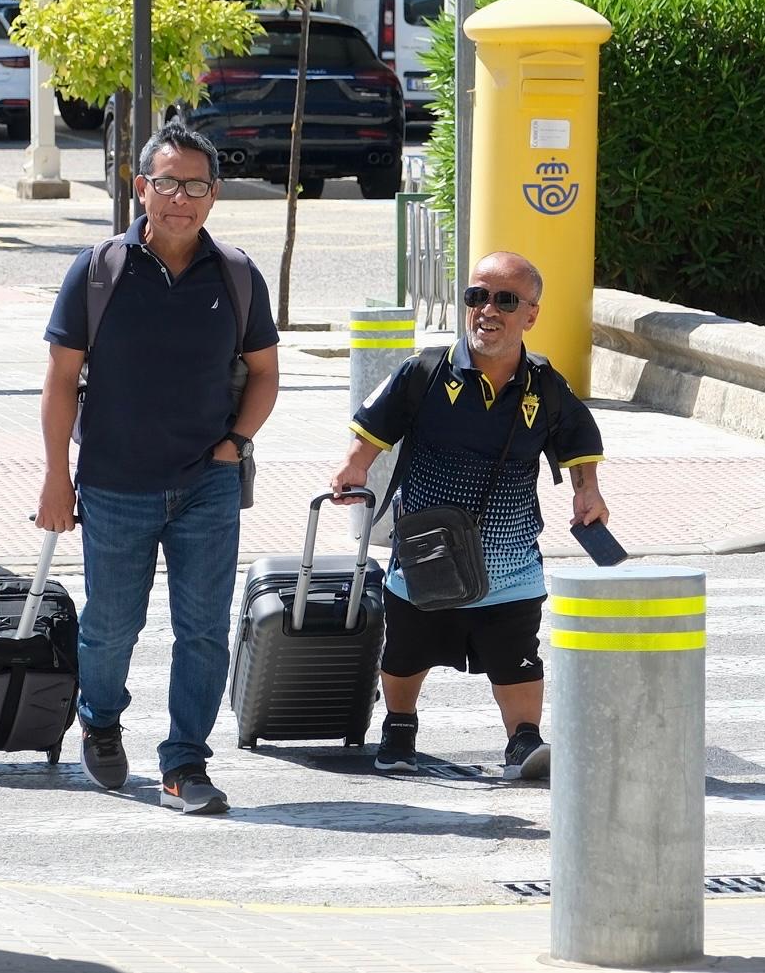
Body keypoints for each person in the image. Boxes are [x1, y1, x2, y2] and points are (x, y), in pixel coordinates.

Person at [36, 121, 280, 815]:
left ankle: (184, 762)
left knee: (203, 627)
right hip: (113, 482)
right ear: (140, 187)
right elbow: (60, 381)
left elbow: (263, 373)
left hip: (206, 481)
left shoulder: (235, 274)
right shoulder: (97, 270)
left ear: (214, 194)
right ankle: (102, 717)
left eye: (195, 185)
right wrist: (57, 476)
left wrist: (235, 444)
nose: (181, 198)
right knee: (111, 624)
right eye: (166, 183)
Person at [329, 251, 608, 780]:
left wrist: (587, 491)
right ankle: (400, 726)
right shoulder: (426, 371)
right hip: (428, 549)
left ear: (531, 314)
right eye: (477, 296)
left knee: (517, 651)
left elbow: (578, 438)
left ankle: (523, 740)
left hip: (510, 556)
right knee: (408, 646)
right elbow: (375, 423)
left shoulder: (545, 385)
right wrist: (353, 466)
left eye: (505, 300)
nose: (487, 310)